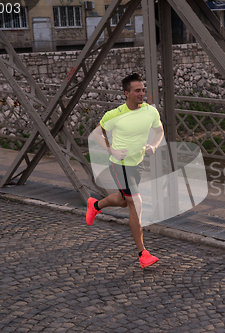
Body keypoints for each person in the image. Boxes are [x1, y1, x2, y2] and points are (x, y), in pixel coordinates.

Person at [86, 73, 164, 268]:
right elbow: (96, 134)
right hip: (119, 166)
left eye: (143, 90)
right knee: (135, 204)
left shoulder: (150, 112)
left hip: (137, 164)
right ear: (126, 93)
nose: (142, 93)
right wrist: (110, 149)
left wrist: (153, 146)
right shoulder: (114, 115)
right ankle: (142, 254)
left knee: (123, 201)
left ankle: (95, 206)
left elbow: (159, 131)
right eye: (137, 90)